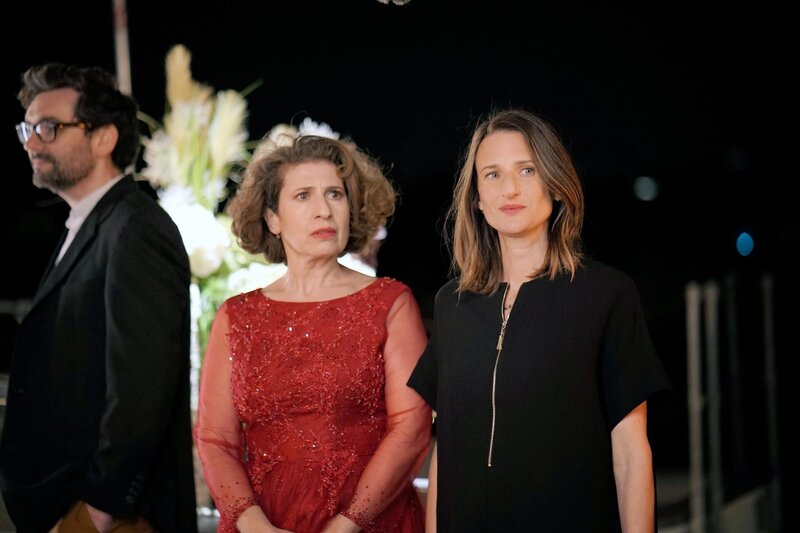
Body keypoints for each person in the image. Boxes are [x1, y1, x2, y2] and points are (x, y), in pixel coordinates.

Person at [408, 108, 672, 532]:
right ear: (477, 199)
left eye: (526, 170)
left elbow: (630, 450)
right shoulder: (451, 305)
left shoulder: (606, 295)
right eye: (492, 174)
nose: (509, 188)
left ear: (555, 184)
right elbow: (447, 449)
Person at [194, 134, 431, 532]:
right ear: (273, 219)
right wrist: (254, 525)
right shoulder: (236, 316)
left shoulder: (390, 303)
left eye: (335, 194)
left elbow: (411, 427)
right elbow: (215, 439)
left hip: (370, 521)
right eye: (303, 196)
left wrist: (347, 524)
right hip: (263, 522)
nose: (324, 210)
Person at [0, 63, 198, 532]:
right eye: (27, 129)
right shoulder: (92, 223)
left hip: (113, 516)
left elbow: (142, 385)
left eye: (49, 127)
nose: (31, 143)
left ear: (104, 138)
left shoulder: (134, 228)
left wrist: (98, 512)